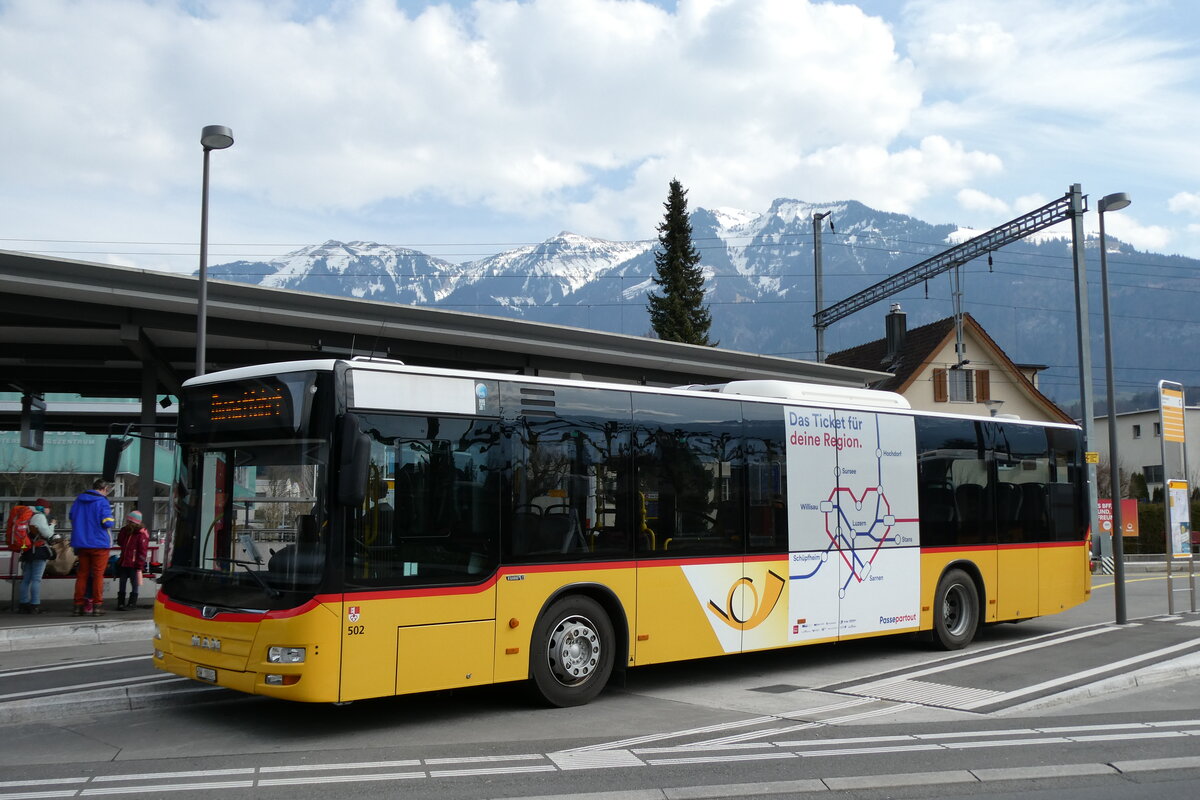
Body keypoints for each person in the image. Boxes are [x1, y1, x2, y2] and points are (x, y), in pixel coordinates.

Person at [68, 479, 115, 616]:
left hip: (82, 543)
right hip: (99, 543)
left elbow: (71, 516)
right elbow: (107, 522)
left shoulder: (79, 500)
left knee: (82, 574)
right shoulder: (102, 501)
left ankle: (78, 606)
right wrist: (111, 518)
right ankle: (97, 606)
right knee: (98, 575)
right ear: (104, 489)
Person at [18, 499, 56, 614]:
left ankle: (23, 604)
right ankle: (35, 604)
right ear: (44, 508)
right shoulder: (39, 516)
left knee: (26, 579)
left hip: (28, 550)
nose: (49, 510)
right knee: (36, 579)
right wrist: (52, 525)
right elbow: (47, 534)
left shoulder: (29, 515)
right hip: (38, 551)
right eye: (48, 508)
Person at [115, 510, 149, 610]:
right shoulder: (126, 532)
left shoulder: (141, 534)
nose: (127, 523)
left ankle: (132, 603)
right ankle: (121, 602)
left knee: (134, 583)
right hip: (124, 562)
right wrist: (123, 531)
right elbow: (120, 542)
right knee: (122, 582)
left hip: (134, 564)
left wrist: (140, 565)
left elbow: (142, 551)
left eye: (129, 521)